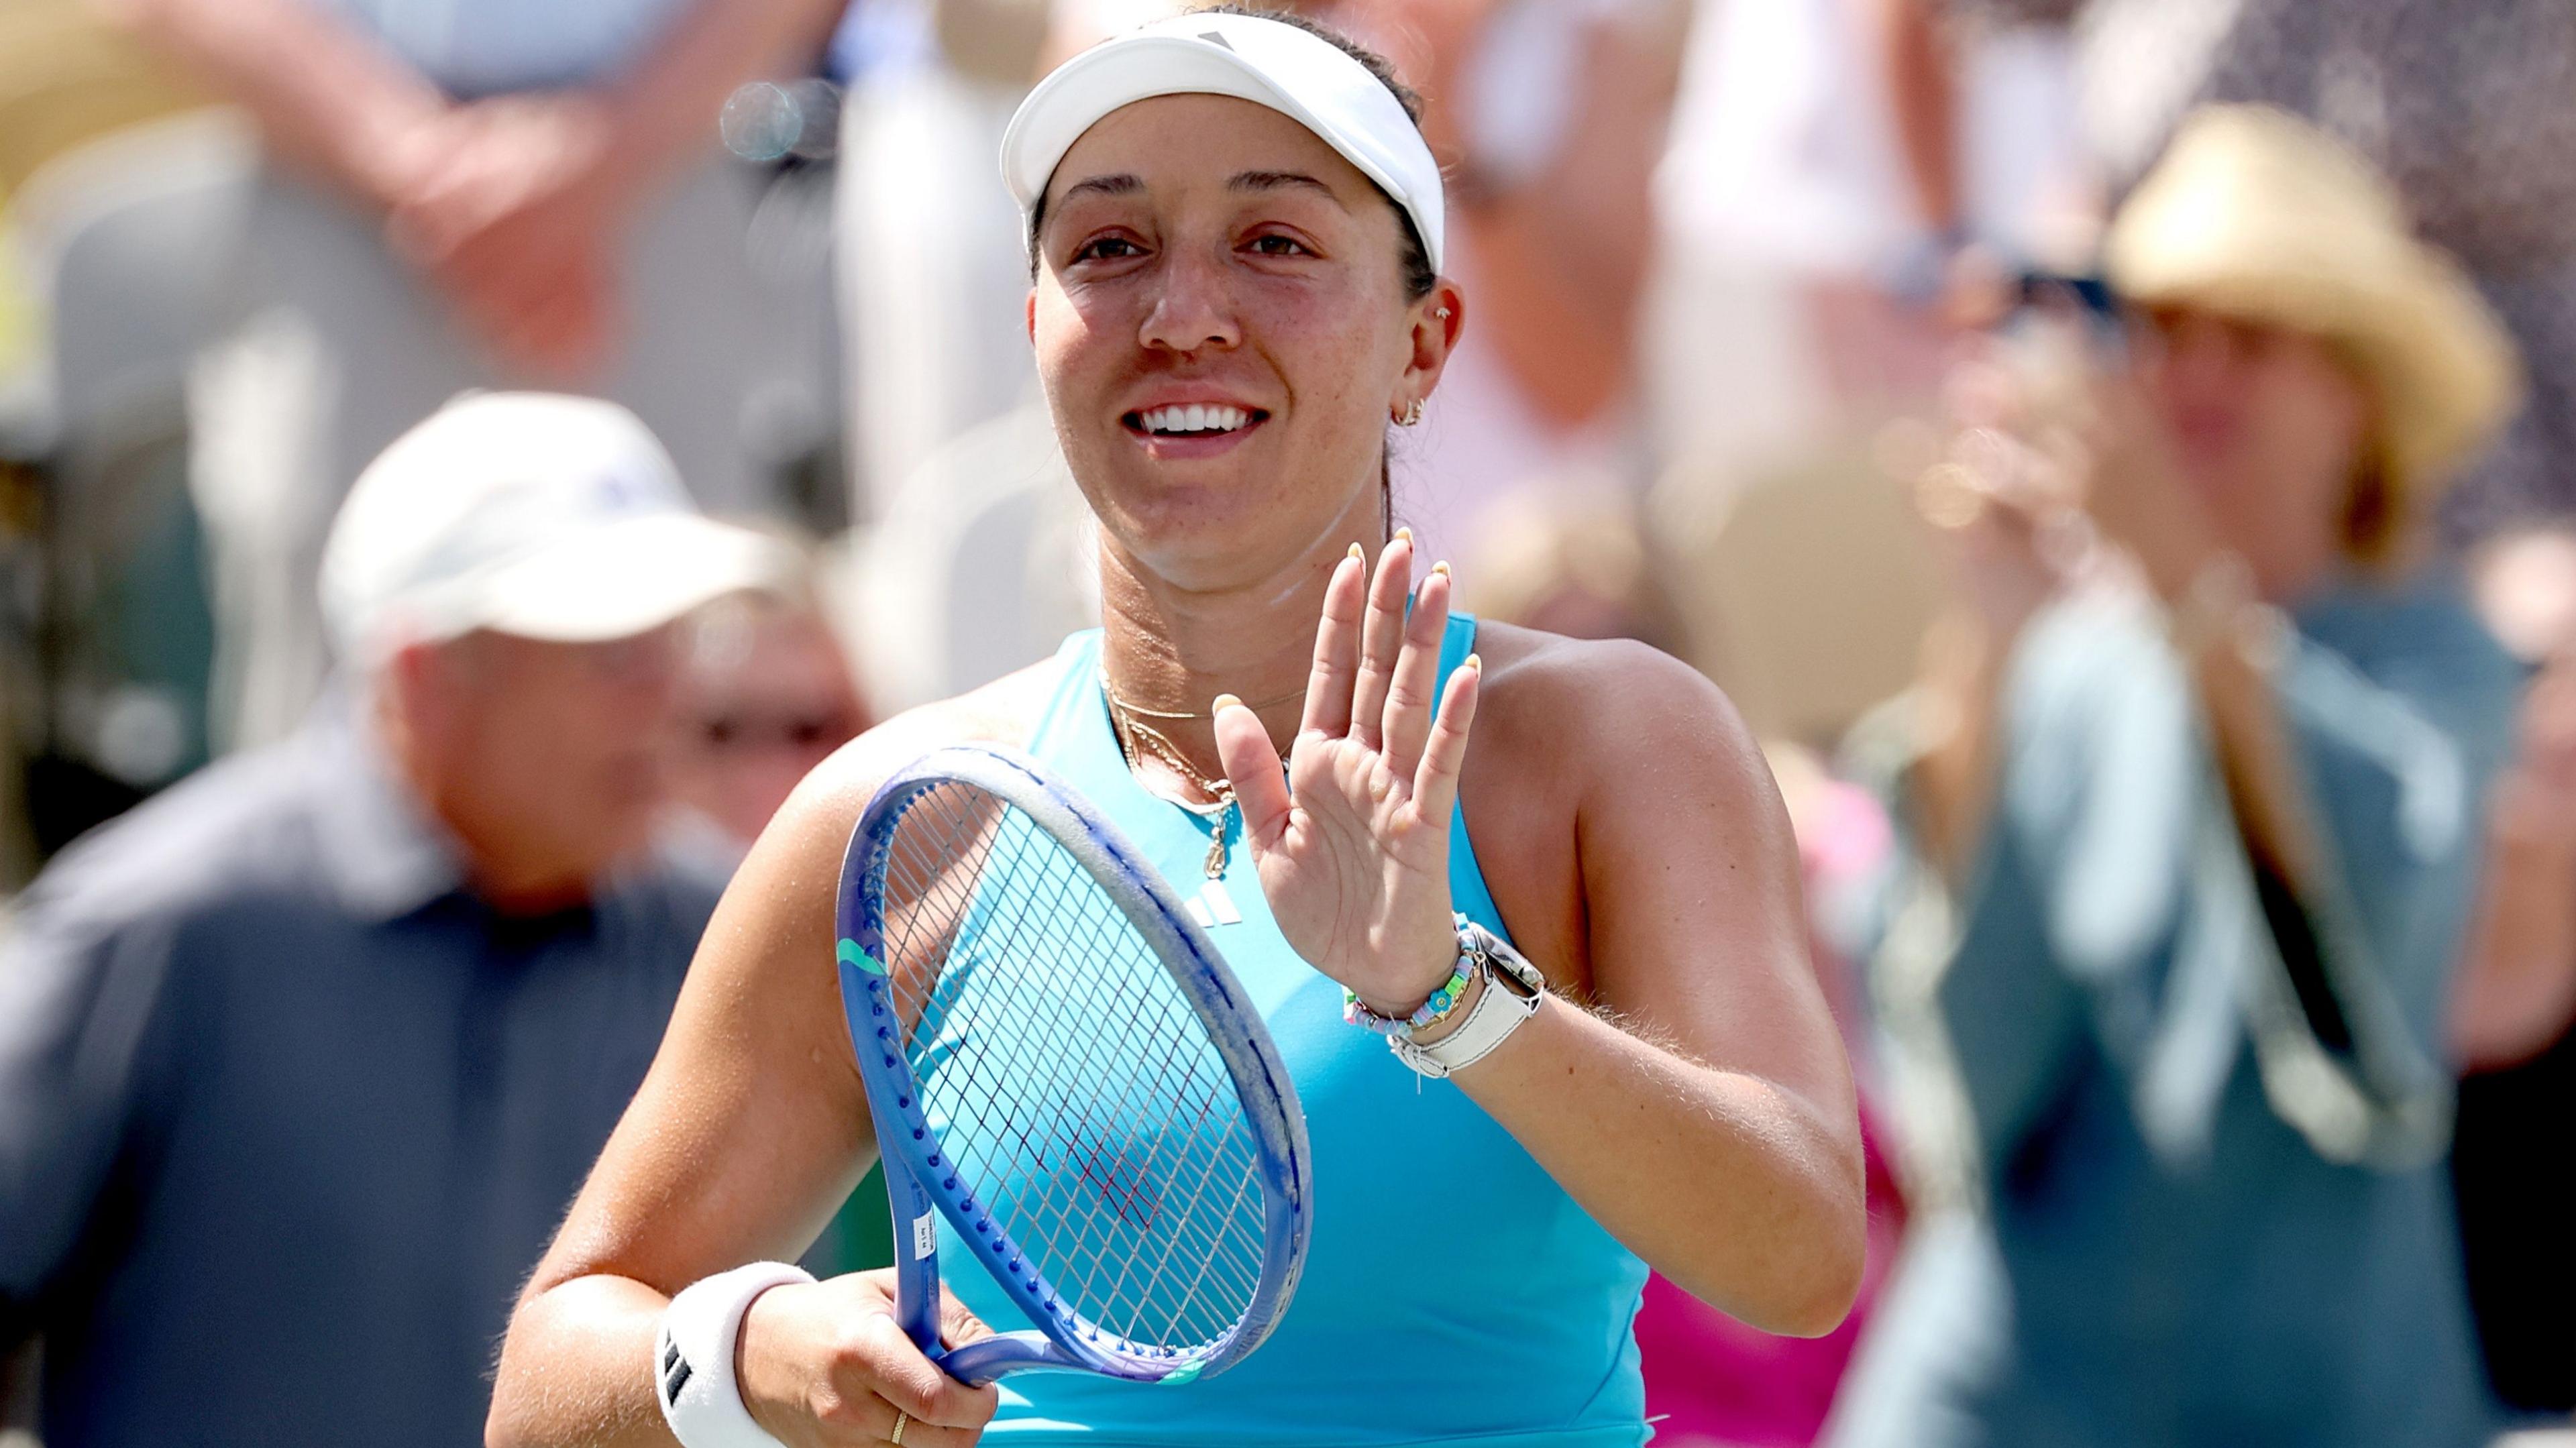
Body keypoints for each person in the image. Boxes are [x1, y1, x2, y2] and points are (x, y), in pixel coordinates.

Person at [487, 11, 1868, 1447]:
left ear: (1424, 340)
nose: (1184, 314)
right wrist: (748, 1347)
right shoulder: (905, 816)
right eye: (1109, 249)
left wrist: (1444, 990)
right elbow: (551, 1373)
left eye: (1275, 242)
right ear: (1037, 333)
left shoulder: (1609, 740)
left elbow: (1800, 1251)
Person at [1826, 105, 2523, 1447]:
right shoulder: (2080, 662)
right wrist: (1988, 629)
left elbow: (2380, 942)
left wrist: (2190, 596)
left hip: (2313, 1385)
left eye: (2253, 339)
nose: (2195, 375)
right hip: (2012, 1382)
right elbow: (1960, 1067)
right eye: (2165, 332)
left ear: (2355, 402)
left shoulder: (2443, 658)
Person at [0, 392, 791, 1447]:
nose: (667, 700)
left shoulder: (726, 927)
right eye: (608, 654)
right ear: (421, 677)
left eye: (672, 642)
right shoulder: (159, 926)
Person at [105, 0, 848, 748]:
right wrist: (414, 162)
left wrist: (603, 159)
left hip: (670, 166)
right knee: (332, 685)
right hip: (331, 177)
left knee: (697, 676)